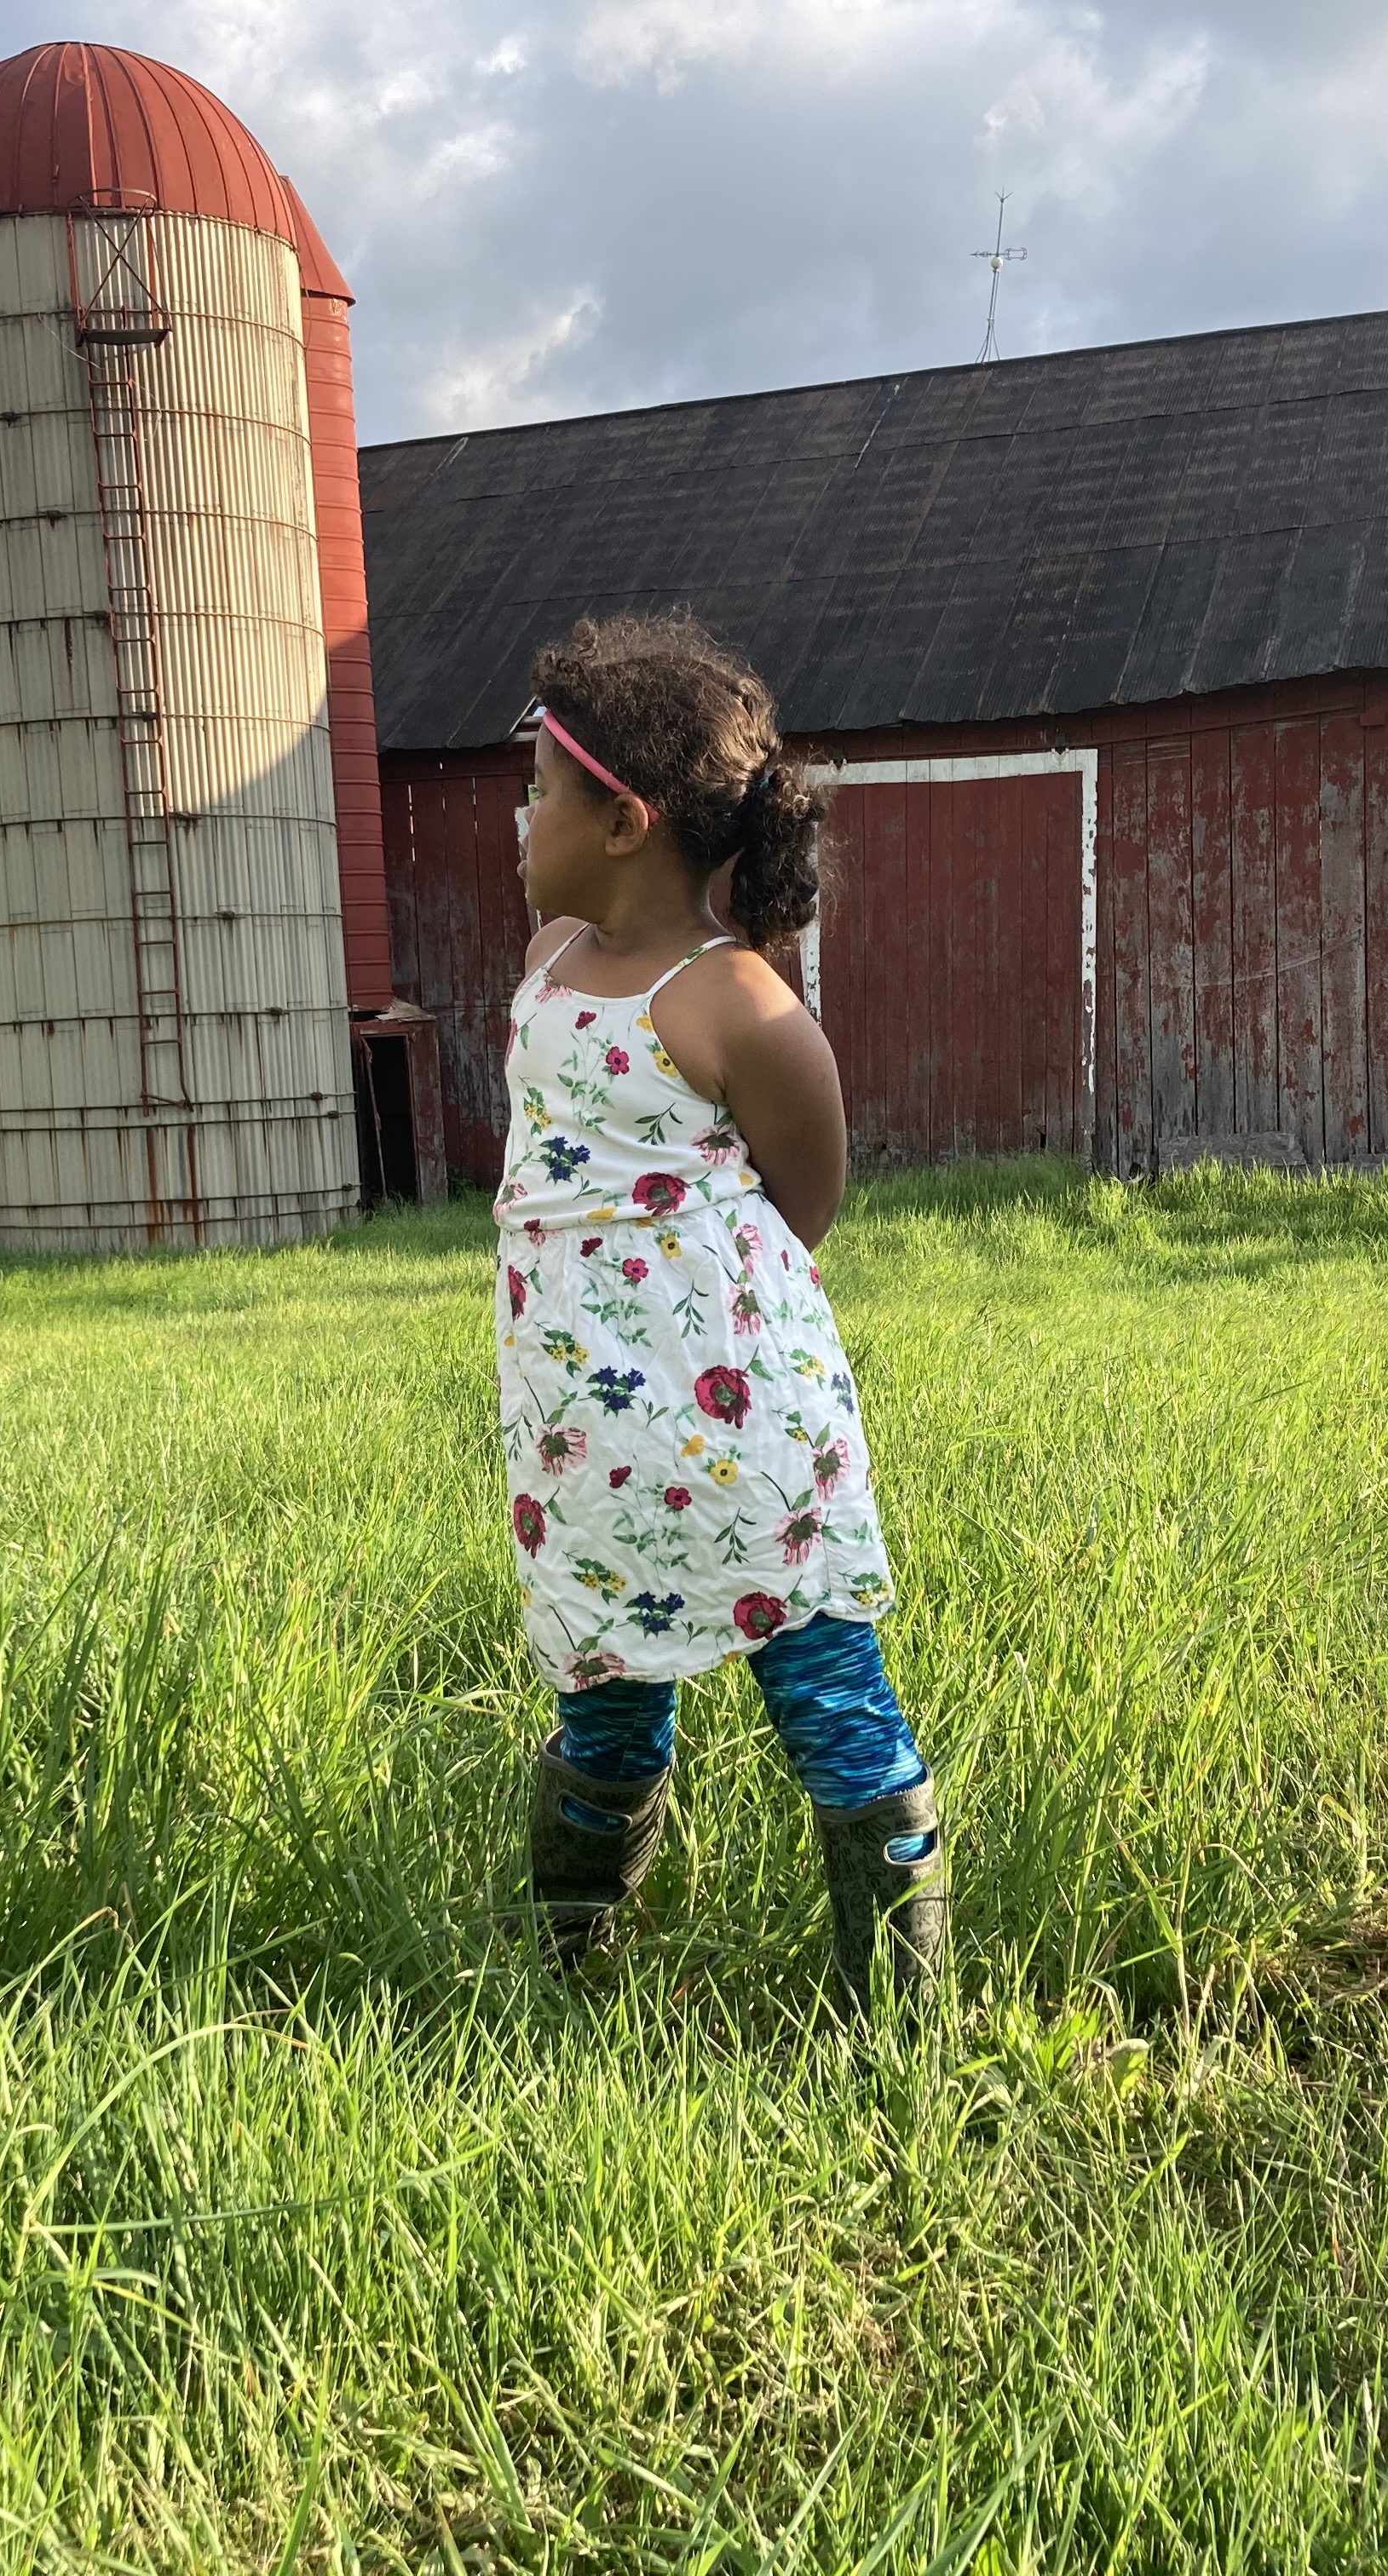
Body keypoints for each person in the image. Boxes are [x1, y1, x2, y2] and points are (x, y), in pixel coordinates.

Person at [493, 611, 945, 2010]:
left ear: (621, 821)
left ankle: (897, 2017)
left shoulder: (739, 1002)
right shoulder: (549, 961)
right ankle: (575, 1979)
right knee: (605, 1692)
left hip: (743, 1435)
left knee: (825, 1685)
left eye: (539, 790)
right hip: (588, 1442)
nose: (519, 817)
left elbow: (804, 1200)